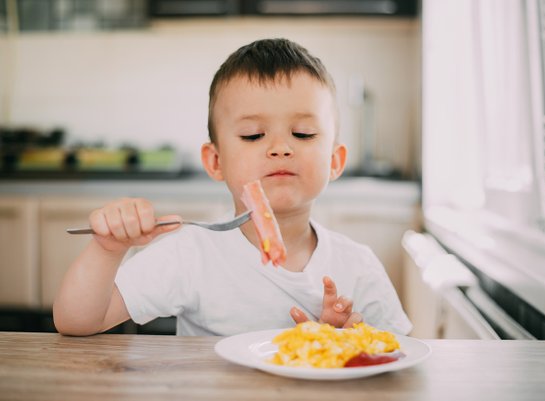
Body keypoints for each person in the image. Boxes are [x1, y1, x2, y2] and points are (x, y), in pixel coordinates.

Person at [53, 38, 412, 337]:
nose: (280, 147)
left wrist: (345, 342)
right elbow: (77, 321)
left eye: (302, 134)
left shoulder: (358, 266)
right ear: (215, 162)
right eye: (254, 135)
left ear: (335, 161)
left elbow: (400, 354)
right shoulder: (192, 253)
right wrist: (107, 250)